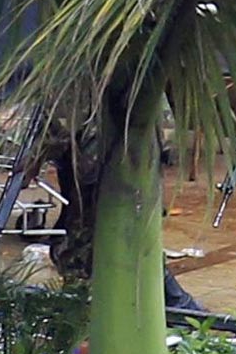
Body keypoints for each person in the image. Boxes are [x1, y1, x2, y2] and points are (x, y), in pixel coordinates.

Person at [39, 121, 203, 314]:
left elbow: (56, 135)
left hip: (108, 172)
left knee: (101, 245)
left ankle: (179, 303)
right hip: (116, 168)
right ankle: (178, 302)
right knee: (126, 242)